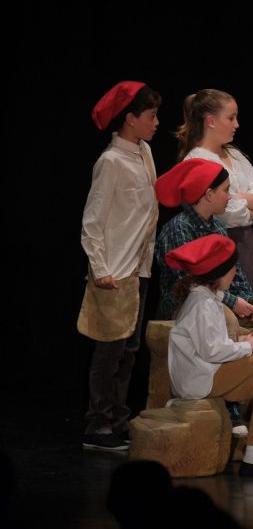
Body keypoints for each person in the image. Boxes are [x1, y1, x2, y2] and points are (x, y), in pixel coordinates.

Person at [165, 234, 253, 476]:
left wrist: (243, 342)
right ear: (219, 273)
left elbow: (212, 344)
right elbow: (211, 351)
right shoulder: (202, 304)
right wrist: (249, 348)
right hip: (199, 379)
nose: (235, 272)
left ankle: (252, 458)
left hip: (208, 372)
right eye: (233, 267)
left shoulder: (208, 298)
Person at [80, 81, 161, 451]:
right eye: (151, 116)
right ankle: (97, 424)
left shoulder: (145, 152)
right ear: (130, 119)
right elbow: (92, 221)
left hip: (138, 268)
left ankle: (117, 418)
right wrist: (100, 269)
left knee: (129, 350)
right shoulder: (110, 162)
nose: (156, 122)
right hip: (114, 271)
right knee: (109, 350)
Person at [178, 88, 253, 295]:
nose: (237, 124)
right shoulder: (196, 161)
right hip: (218, 248)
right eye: (231, 118)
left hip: (247, 244)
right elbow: (227, 213)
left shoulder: (235, 155)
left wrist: (240, 199)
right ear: (211, 121)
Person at [153, 159, 253, 325]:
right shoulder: (179, 228)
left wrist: (249, 300)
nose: (230, 196)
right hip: (188, 307)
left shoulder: (217, 225)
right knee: (229, 321)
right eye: (226, 190)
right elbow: (188, 283)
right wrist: (234, 302)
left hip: (220, 300)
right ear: (209, 194)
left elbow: (235, 270)